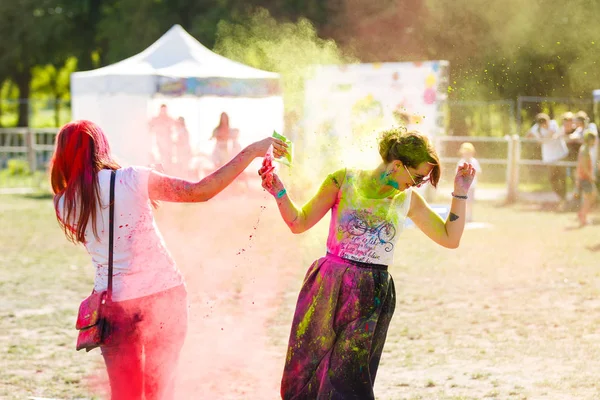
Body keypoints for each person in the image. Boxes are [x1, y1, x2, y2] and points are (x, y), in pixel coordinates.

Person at [50, 120, 287, 400]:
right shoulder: (131, 179)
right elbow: (201, 191)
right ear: (101, 147)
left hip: (113, 308)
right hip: (164, 297)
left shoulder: (63, 203)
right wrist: (251, 151)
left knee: (124, 395)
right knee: (160, 392)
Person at [259, 128, 476, 399]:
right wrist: (278, 191)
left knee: (348, 380)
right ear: (397, 165)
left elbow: (449, 237)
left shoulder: (408, 200)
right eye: (417, 177)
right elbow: (299, 222)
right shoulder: (343, 180)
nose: (418, 184)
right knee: (307, 372)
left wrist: (460, 192)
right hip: (327, 286)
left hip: (370, 295)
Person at [526, 113, 569, 209]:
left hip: (560, 155)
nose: (547, 125)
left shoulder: (553, 124)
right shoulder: (536, 129)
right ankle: (561, 197)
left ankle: (564, 198)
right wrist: (540, 138)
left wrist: (543, 138)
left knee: (562, 177)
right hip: (549, 158)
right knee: (552, 178)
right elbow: (531, 136)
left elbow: (552, 134)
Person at [576, 132, 598, 226]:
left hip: (584, 177)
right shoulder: (585, 150)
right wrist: (591, 177)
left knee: (590, 197)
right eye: (594, 139)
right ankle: (582, 216)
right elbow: (584, 166)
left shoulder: (585, 148)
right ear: (590, 140)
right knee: (590, 197)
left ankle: (582, 214)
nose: (595, 141)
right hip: (585, 177)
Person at [457, 142, 482, 222]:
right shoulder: (461, 162)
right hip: (462, 186)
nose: (466, 154)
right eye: (465, 153)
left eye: (468, 153)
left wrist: (470, 174)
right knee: (462, 202)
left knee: (470, 202)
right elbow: (457, 173)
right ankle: (462, 216)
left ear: (472, 153)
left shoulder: (474, 162)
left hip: (471, 186)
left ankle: (469, 216)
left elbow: (478, 172)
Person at [149, 104, 176, 173]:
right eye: (162, 110)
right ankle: (161, 171)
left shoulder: (169, 119)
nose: (163, 111)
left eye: (165, 110)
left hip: (167, 143)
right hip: (159, 142)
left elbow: (174, 126)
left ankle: (167, 171)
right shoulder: (156, 119)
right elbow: (150, 126)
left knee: (167, 158)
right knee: (160, 157)